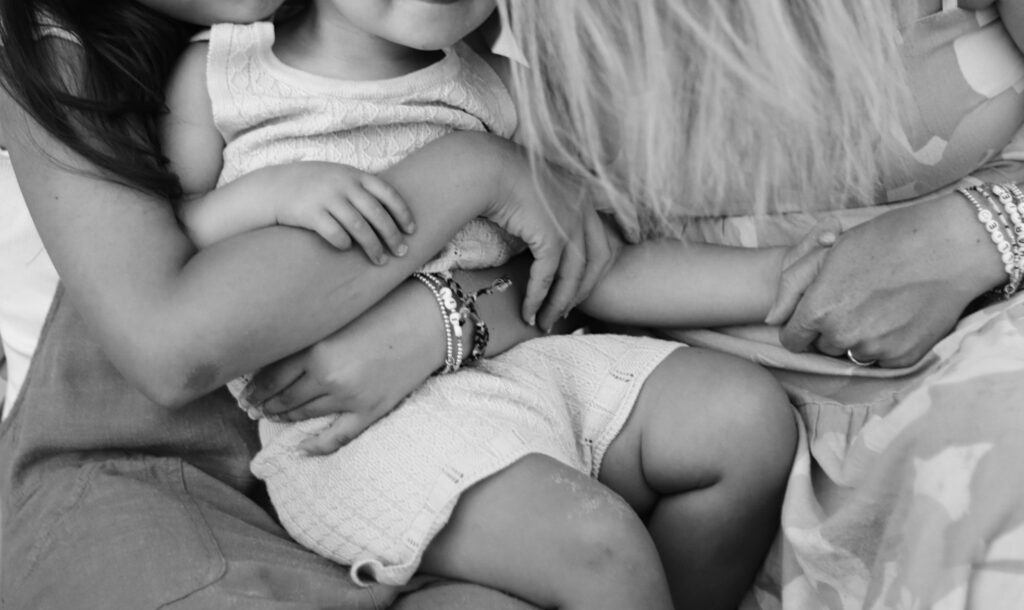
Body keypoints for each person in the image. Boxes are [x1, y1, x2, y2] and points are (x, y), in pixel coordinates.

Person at [160, 1, 806, 608]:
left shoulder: (505, 88)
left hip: (522, 368)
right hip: (354, 429)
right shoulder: (223, 72)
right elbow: (174, 242)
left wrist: (798, 275)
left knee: (744, 420)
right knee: (599, 545)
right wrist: (273, 196)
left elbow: (590, 258)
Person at [0, 2, 611, 609]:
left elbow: (555, 253)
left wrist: (441, 317)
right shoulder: (54, 47)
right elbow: (171, 352)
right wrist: (475, 171)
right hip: (140, 483)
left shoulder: (396, 31)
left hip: (374, 441)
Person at [494, 0, 1024, 607]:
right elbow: (467, 187)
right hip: (703, 448)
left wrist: (985, 233)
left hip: (984, 356)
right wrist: (450, 311)